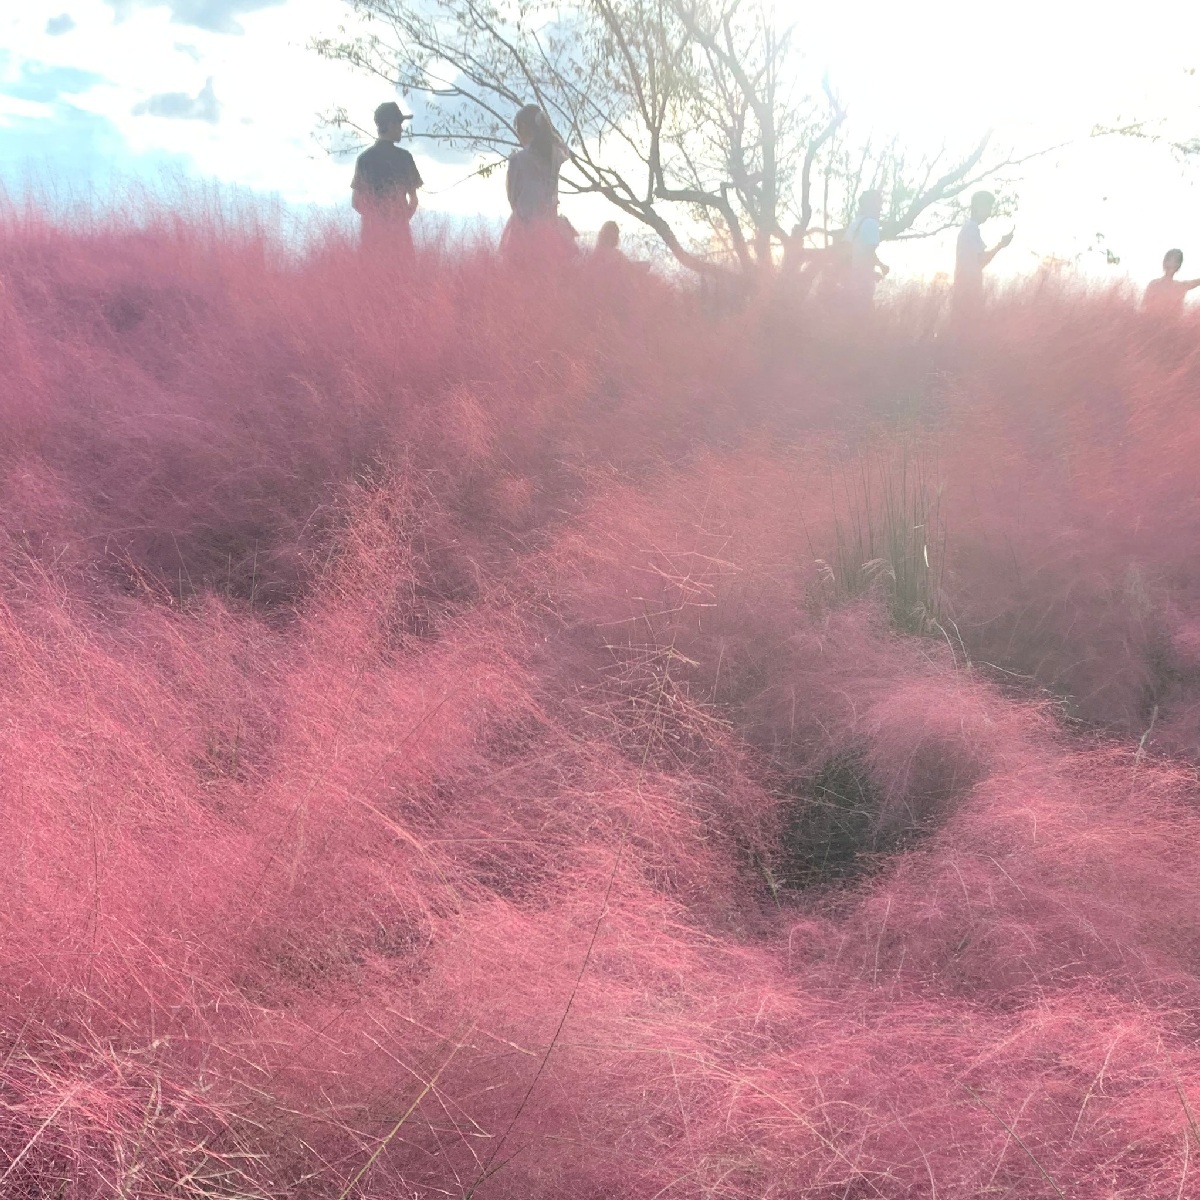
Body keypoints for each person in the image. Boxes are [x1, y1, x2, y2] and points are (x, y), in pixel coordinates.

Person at [351, 101, 423, 257]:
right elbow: (414, 200)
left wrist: (375, 221)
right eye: (399, 124)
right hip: (400, 238)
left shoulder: (364, 159)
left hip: (371, 239)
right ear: (390, 125)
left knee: (371, 280)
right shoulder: (405, 158)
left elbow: (356, 202)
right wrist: (401, 220)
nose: (401, 129)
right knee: (403, 279)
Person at [503, 104, 573, 259]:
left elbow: (513, 198)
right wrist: (547, 131)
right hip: (550, 227)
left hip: (524, 228)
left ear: (523, 127)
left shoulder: (518, 160)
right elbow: (562, 146)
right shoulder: (555, 156)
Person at [953, 190, 1012, 312]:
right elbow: (981, 261)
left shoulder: (969, 229)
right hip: (968, 293)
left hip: (966, 291)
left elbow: (977, 262)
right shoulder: (971, 229)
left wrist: (1000, 245)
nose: (989, 213)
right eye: (987, 208)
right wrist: (1000, 245)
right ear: (978, 206)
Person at [840, 189, 889, 312]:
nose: (880, 209)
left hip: (848, 282)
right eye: (878, 205)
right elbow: (868, 251)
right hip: (862, 284)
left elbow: (851, 250)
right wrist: (881, 267)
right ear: (870, 205)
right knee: (863, 320)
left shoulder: (856, 223)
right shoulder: (871, 223)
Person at [1143, 249, 1200, 318]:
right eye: (1170, 260)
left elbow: (1197, 282)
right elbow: (1144, 306)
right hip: (1152, 324)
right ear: (1164, 262)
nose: (1172, 264)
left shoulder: (1181, 286)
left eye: (1176, 262)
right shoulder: (1154, 284)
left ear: (1179, 266)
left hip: (1174, 326)